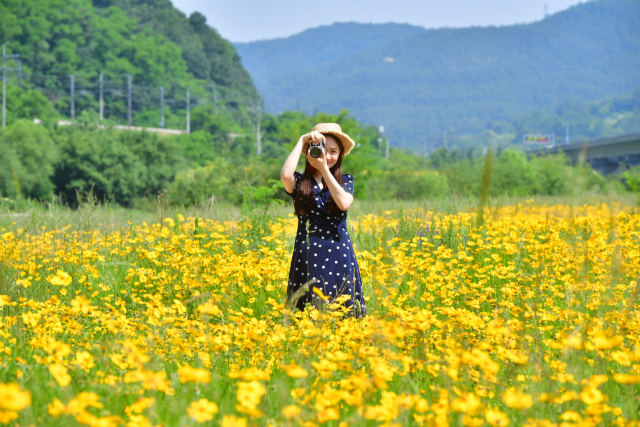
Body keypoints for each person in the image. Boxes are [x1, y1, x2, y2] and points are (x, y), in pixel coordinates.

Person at [280, 123, 366, 317]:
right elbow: (285, 175)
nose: (327, 156)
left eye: (333, 151)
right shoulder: (301, 183)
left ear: (341, 154)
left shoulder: (345, 181)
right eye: (321, 150)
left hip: (338, 251)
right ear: (311, 151)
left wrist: (324, 170)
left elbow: (344, 203)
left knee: (342, 308)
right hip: (308, 252)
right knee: (307, 310)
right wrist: (302, 140)